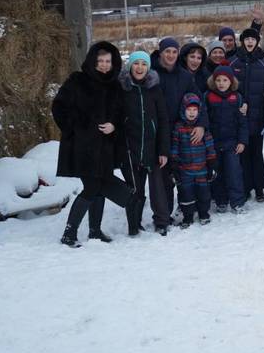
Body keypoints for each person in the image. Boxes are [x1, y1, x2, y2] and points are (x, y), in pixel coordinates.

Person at [52, 41, 133, 248]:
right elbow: (59, 108)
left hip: (105, 148)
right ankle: (69, 234)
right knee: (92, 187)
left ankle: (95, 231)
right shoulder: (77, 81)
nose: (105, 65)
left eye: (108, 61)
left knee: (97, 188)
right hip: (82, 148)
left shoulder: (115, 85)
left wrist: (114, 126)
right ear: (92, 61)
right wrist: (80, 129)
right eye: (100, 61)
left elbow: (121, 114)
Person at [150, 37, 207, 218]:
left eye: (174, 52)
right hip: (157, 133)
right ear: (161, 53)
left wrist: (201, 124)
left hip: (179, 133)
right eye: (167, 51)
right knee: (161, 177)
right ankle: (162, 216)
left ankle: (186, 207)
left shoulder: (184, 76)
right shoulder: (151, 74)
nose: (171, 55)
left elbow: (199, 101)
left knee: (181, 174)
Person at [118, 50, 170, 236]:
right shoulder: (123, 89)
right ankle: (134, 222)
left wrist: (163, 150)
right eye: (136, 63)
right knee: (135, 189)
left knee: (157, 188)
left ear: (148, 67)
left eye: (144, 64)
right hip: (130, 147)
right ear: (130, 66)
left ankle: (162, 221)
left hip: (153, 147)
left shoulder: (154, 89)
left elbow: (163, 120)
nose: (140, 67)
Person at [230, 27, 264, 203]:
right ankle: (246, 187)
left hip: (258, 117)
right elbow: (227, 88)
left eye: (253, 39)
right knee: (243, 154)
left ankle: (259, 189)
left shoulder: (263, 64)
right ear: (242, 41)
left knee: (257, 154)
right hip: (239, 119)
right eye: (247, 39)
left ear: (257, 42)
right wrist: (239, 103)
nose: (250, 42)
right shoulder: (233, 63)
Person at [205, 65, 248, 213]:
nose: (221, 83)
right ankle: (221, 200)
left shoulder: (236, 97)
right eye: (218, 80)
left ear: (231, 82)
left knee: (234, 172)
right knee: (217, 173)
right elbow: (205, 120)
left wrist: (242, 141)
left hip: (232, 143)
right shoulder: (208, 97)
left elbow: (242, 122)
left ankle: (237, 202)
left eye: (225, 80)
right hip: (214, 143)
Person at [171, 93, 218, 226]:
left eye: (195, 110)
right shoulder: (179, 127)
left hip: (201, 168)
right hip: (184, 169)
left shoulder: (203, 129)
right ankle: (188, 216)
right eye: (189, 110)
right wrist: (174, 163)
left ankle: (204, 213)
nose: (192, 113)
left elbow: (210, 146)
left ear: (199, 111)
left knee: (204, 193)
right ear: (183, 110)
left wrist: (212, 162)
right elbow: (174, 146)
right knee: (186, 194)